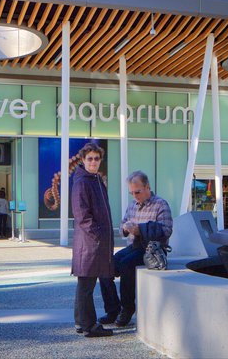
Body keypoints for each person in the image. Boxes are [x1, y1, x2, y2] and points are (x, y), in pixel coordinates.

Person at [100, 170, 173, 329]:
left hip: (152, 249)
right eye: (132, 193)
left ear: (147, 187)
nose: (135, 196)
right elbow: (122, 226)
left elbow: (166, 230)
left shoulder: (161, 204)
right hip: (134, 246)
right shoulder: (132, 205)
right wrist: (126, 229)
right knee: (104, 266)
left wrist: (140, 229)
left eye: (137, 192)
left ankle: (127, 308)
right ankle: (113, 309)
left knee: (127, 265)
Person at [70, 143, 116, 338]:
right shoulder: (83, 182)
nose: (94, 162)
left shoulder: (95, 180)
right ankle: (89, 325)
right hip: (90, 243)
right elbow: (82, 215)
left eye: (97, 159)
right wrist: (98, 235)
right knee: (87, 284)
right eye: (90, 159)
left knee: (85, 284)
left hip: (94, 242)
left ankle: (81, 322)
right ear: (83, 160)